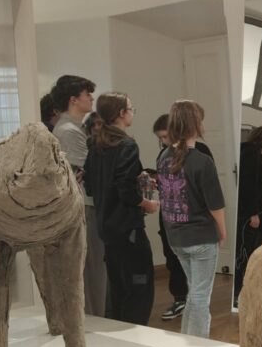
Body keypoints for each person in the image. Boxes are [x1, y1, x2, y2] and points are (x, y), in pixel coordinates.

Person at [84, 92, 158, 324]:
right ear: (121, 113)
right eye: (130, 108)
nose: (132, 112)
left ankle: (121, 329)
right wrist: (146, 203)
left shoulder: (95, 144)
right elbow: (124, 188)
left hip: (107, 227)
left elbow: (90, 186)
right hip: (128, 228)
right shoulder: (126, 145)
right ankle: (137, 330)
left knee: (119, 283)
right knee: (139, 281)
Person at [157, 100, 226, 339]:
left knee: (193, 292)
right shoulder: (202, 161)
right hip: (200, 237)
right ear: (196, 124)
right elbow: (215, 204)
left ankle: (187, 340)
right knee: (199, 296)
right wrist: (222, 231)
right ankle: (197, 345)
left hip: (176, 236)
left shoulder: (164, 156)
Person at [49, 74, 107, 317]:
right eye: (87, 94)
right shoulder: (69, 131)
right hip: (83, 206)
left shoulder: (73, 128)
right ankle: (93, 320)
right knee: (91, 269)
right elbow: (88, 169)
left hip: (84, 204)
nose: (91, 98)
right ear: (73, 99)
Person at [152, 113, 213, 321]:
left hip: (192, 220)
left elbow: (207, 189)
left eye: (165, 136)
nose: (163, 141)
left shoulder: (200, 153)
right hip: (170, 218)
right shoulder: (164, 155)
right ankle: (181, 299)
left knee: (196, 267)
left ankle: (195, 304)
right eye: (160, 138)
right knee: (174, 260)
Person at [235, 126, 262, 299]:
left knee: (244, 250)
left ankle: (241, 290)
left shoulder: (246, 151)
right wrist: (253, 213)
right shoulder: (252, 154)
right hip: (248, 213)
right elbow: (249, 185)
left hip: (246, 211)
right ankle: (240, 292)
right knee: (245, 252)